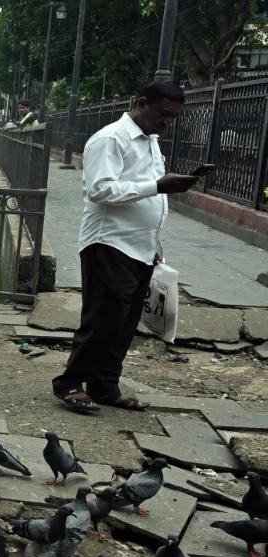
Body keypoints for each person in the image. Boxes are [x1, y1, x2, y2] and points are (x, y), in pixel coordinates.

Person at [52, 79, 199, 414]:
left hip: (141, 247)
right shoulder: (110, 139)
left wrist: (155, 242)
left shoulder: (151, 142)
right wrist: (158, 185)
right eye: (163, 113)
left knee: (126, 321)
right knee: (104, 317)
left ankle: (104, 386)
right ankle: (70, 382)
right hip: (108, 242)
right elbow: (100, 190)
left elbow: (147, 196)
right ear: (142, 102)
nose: (167, 122)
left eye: (173, 117)